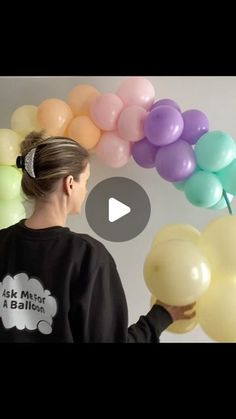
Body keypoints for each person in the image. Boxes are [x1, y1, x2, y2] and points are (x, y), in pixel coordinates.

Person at [0, 131, 195, 343]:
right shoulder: (87, 256)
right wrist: (159, 317)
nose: (85, 189)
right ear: (70, 184)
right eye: (85, 181)